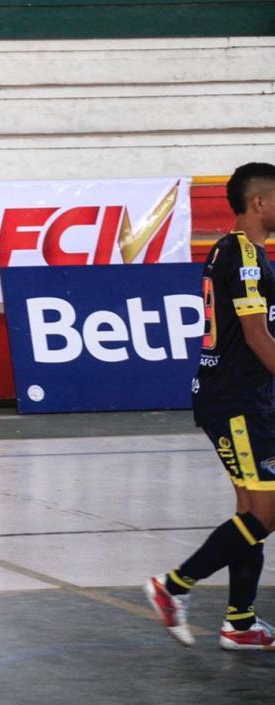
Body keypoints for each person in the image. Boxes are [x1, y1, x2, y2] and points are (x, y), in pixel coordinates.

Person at [147, 162, 275, 650]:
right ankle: (172, 586)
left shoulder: (236, 251)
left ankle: (240, 624)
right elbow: (257, 335)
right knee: (267, 510)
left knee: (250, 512)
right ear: (258, 202)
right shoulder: (243, 256)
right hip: (238, 401)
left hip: (238, 397)